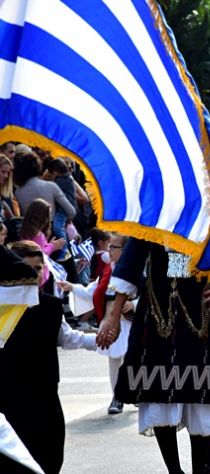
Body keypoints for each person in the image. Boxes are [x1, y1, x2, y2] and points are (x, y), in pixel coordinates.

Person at [0, 241, 97, 474]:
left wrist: (101, 340)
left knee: (50, 455)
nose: (34, 275)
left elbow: (68, 337)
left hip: (45, 396)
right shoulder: (3, 309)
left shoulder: (51, 307)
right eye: (29, 269)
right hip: (10, 397)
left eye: (38, 268)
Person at [58, 233, 134, 415]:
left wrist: (134, 304)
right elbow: (94, 292)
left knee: (135, 359)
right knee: (115, 359)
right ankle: (118, 397)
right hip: (111, 322)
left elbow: (149, 294)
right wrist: (72, 287)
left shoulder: (137, 269)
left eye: (114, 247)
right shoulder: (108, 270)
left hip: (132, 322)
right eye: (110, 246)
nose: (110, 250)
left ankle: (137, 392)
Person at [13, 151, 76, 221]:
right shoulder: (51, 186)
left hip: (31, 229)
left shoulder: (18, 192)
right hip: (52, 227)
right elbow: (71, 212)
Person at [0, 154, 20, 219]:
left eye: (8, 173)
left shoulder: (8, 196)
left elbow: (15, 218)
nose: (6, 176)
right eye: (3, 172)